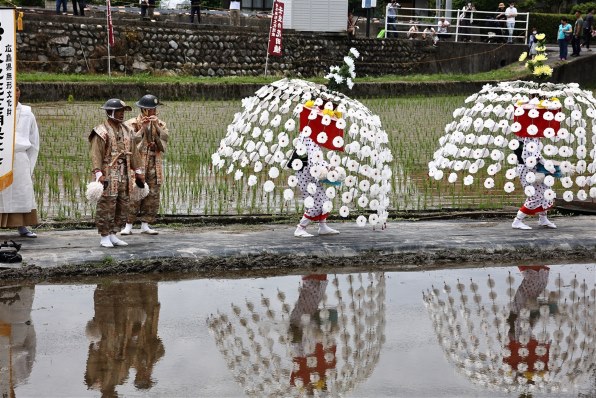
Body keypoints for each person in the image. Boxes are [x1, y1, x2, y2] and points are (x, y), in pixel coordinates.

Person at [89, 99, 144, 248]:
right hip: (108, 173)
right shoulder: (101, 131)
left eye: (123, 111)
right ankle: (104, 235)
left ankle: (113, 233)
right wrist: (99, 173)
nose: (121, 114)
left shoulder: (127, 131)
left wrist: (138, 171)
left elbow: (134, 154)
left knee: (122, 204)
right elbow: (96, 154)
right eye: (118, 111)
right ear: (109, 112)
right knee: (107, 205)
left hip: (124, 174)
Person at [121, 95, 169, 236]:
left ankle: (145, 224)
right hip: (138, 163)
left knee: (152, 193)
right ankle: (128, 225)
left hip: (154, 163)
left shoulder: (161, 124)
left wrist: (155, 127)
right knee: (134, 192)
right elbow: (130, 143)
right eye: (149, 109)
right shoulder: (131, 123)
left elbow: (164, 143)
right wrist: (143, 129)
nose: (152, 111)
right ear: (142, 109)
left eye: (154, 108)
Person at [0, 86, 40, 238]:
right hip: (2, 157)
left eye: (16, 89)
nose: (13, 93)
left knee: (22, 191)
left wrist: (30, 163)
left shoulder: (27, 113)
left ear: (19, 92)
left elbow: (34, 139)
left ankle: (22, 226)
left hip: (19, 157)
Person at [511, 136, 557, 230]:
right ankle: (517, 221)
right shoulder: (529, 138)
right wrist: (547, 165)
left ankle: (543, 219)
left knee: (546, 191)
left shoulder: (528, 137)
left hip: (532, 168)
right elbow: (531, 156)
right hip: (527, 169)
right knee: (535, 195)